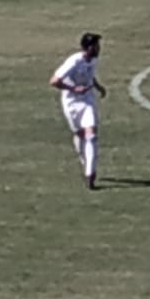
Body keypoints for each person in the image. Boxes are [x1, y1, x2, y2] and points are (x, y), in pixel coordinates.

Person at [50, 33, 106, 190]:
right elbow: (54, 81)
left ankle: (90, 174)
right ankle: (85, 160)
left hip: (87, 99)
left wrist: (97, 86)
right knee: (80, 135)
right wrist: (73, 88)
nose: (98, 48)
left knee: (92, 134)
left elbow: (90, 74)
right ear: (88, 48)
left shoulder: (94, 59)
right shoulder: (74, 61)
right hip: (72, 102)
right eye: (96, 45)